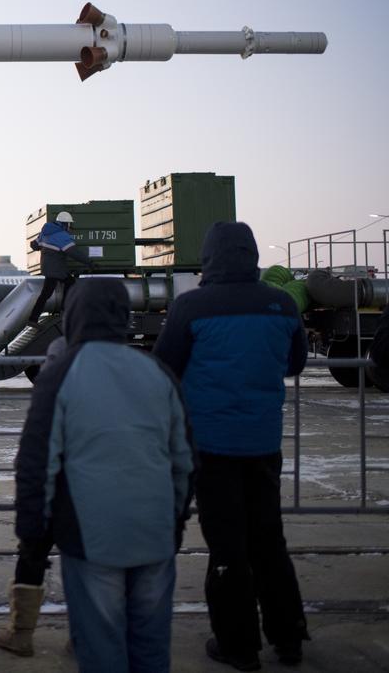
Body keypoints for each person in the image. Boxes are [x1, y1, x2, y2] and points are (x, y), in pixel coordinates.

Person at [17, 279, 195, 671]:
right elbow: (183, 458)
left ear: (74, 316)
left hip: (91, 536)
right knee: (150, 646)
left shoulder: (61, 373)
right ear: (124, 316)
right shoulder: (158, 372)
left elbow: (36, 461)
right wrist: (176, 521)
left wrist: (33, 533)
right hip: (154, 531)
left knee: (101, 646)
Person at [154, 222, 309, 670]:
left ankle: (238, 646)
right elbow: (295, 361)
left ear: (209, 257)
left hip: (212, 447)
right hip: (263, 444)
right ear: (253, 254)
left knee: (227, 547)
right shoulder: (280, 304)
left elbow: (165, 366)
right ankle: (289, 637)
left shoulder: (191, 306)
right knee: (269, 541)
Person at [0, 338, 66, 658]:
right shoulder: (113, 376)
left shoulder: (53, 381)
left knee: (32, 554)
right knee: (88, 561)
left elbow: (33, 451)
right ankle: (86, 632)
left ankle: (22, 633)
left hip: (50, 489)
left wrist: (28, 507)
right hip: (90, 490)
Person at [27, 210, 95, 328]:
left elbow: (34, 244)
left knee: (46, 293)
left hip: (48, 266)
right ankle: (63, 310)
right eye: (69, 224)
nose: (70, 227)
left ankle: (33, 319)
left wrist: (43, 247)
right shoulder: (62, 235)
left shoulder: (46, 231)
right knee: (70, 283)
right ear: (65, 224)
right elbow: (74, 253)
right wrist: (89, 262)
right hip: (56, 267)